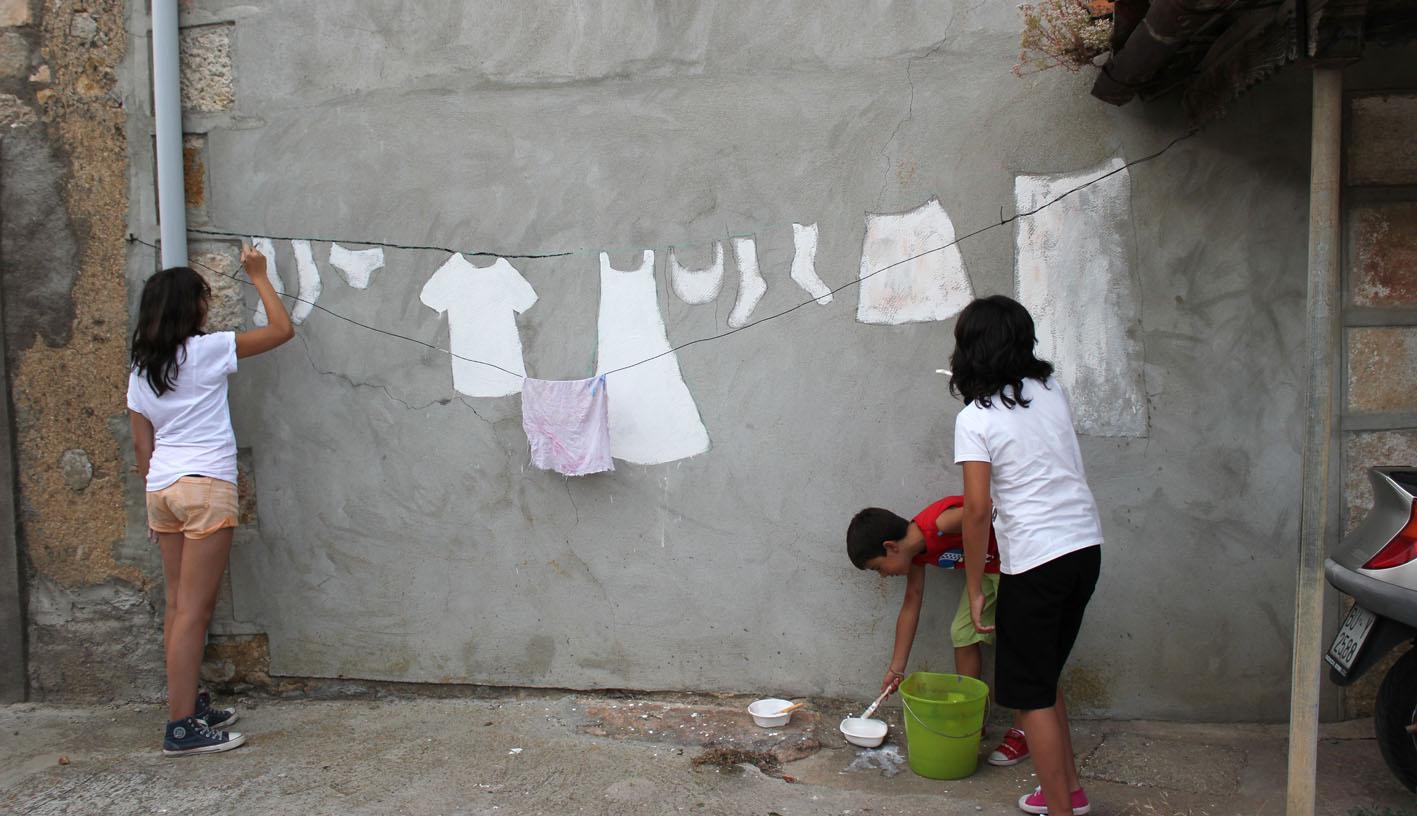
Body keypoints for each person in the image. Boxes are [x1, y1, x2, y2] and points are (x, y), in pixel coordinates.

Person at [127, 246, 294, 756]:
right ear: (188, 309)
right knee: (194, 614)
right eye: (202, 299)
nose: (206, 307)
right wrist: (260, 276)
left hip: (164, 491)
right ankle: (181, 727)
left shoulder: (142, 369)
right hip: (205, 488)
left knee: (179, 607)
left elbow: (142, 446)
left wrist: (154, 504)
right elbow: (281, 330)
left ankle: (188, 705)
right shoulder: (205, 350)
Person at [952, 295, 1103, 815]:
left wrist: (975, 587)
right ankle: (1069, 792)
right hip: (1084, 548)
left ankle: (1061, 810)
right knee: (1043, 678)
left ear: (970, 350)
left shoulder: (975, 418)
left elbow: (976, 511)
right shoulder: (1051, 389)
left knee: (1030, 694)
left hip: (1037, 561)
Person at [846, 496, 1030, 767]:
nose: (883, 576)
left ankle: (1024, 732)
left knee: (1021, 644)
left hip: (1018, 566)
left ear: (891, 547)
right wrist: (896, 669)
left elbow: (985, 509)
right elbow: (911, 603)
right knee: (963, 632)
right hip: (987, 574)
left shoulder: (940, 523)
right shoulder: (918, 555)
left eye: (878, 568)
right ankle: (973, 719)